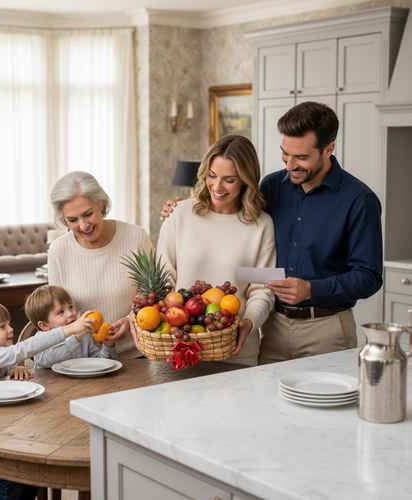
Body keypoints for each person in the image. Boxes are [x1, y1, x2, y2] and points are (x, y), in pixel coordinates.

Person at [162, 101, 383, 365]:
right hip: (272, 326)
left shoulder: (359, 200)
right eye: (285, 154)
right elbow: (249, 257)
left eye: (301, 157)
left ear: (328, 149)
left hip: (325, 327)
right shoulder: (271, 186)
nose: (290, 165)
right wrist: (178, 211)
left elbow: (369, 277)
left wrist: (311, 289)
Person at [0, 300, 96, 500]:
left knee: (30, 476)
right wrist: (68, 330)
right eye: (2, 326)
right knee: (12, 479)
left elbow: (5, 367)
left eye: (8, 324)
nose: (10, 329)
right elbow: (20, 350)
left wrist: (18, 368)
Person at [156, 135, 276, 365]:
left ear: (246, 180)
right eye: (212, 176)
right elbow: (164, 276)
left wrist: (248, 323)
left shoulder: (261, 226)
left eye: (229, 179)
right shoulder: (180, 214)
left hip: (236, 348)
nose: (217, 186)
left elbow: (262, 290)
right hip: (180, 343)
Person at [48, 171, 154, 358]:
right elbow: (55, 313)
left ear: (102, 204)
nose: (83, 226)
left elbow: (156, 293)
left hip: (137, 355)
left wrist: (132, 320)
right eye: (72, 220)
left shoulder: (135, 237)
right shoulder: (58, 250)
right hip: (82, 361)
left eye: (88, 214)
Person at [24, 284, 116, 369]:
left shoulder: (84, 338)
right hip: (49, 386)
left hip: (80, 385)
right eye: (60, 312)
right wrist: (75, 338)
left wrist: (108, 345)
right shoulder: (40, 339)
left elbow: (101, 364)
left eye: (70, 307)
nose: (70, 314)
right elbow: (44, 361)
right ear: (44, 326)